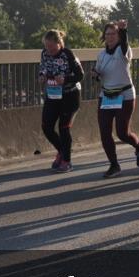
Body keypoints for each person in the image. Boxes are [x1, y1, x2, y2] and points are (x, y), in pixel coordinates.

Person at [93, 20, 139, 178]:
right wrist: (95, 74)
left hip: (124, 96)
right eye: (107, 34)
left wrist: (124, 30)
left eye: (114, 34)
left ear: (118, 36)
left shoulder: (124, 51)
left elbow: (124, 43)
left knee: (122, 133)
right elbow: (99, 73)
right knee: (104, 132)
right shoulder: (101, 55)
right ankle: (114, 164)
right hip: (107, 95)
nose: (110, 37)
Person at [39, 30, 84, 173]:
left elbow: (80, 75)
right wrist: (41, 76)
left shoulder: (68, 54)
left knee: (64, 128)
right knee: (46, 127)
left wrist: (65, 80)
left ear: (59, 44)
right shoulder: (44, 53)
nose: (49, 50)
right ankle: (62, 151)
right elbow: (43, 68)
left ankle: (67, 161)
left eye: (52, 47)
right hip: (53, 95)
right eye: (47, 47)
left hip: (70, 95)